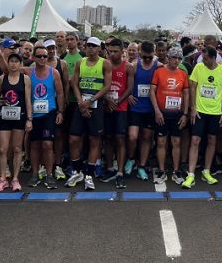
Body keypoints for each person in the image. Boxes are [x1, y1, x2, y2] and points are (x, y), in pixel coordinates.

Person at [66, 37, 112, 190]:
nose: (90, 48)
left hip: (96, 104)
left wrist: (91, 100)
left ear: (99, 48)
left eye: (94, 46)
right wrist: (81, 102)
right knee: (73, 139)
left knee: (94, 140)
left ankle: (89, 174)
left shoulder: (104, 63)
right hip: (81, 105)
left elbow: (107, 86)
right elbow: (75, 83)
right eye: (88, 46)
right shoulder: (80, 62)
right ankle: (77, 170)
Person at [182, 46, 222, 188]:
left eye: (206, 58)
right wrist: (193, 107)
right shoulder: (198, 68)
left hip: (215, 112)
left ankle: (206, 171)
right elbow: (192, 87)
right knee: (195, 140)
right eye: (203, 58)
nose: (203, 60)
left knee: (211, 140)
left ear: (213, 58)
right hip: (199, 111)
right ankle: (190, 174)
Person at [151, 46, 190, 184]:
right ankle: (161, 171)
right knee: (161, 142)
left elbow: (186, 94)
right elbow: (152, 92)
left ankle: (176, 170)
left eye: (179, 58)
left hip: (177, 114)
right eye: (174, 57)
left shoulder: (183, 74)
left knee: (176, 142)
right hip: (161, 113)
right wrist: (156, 111)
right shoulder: (159, 72)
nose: (177, 60)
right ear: (168, 57)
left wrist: (185, 114)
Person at [0, 52, 32, 192]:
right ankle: (2, 179)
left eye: (16, 61)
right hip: (5, 117)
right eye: (11, 61)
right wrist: (0, 100)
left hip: (19, 117)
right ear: (8, 63)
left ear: (20, 64)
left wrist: (29, 119)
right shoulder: (2, 78)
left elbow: (28, 100)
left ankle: (15, 179)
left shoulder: (25, 79)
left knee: (17, 149)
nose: (14, 64)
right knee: (2, 149)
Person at [29, 45, 65, 189]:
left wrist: (60, 112)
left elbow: (61, 93)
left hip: (49, 113)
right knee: (34, 144)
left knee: (48, 144)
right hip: (34, 113)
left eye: (45, 56)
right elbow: (9, 70)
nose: (43, 58)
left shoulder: (54, 73)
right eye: (39, 56)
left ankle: (49, 175)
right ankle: (35, 174)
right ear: (33, 58)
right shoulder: (28, 72)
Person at [102, 38, 134, 188]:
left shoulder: (128, 67)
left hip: (121, 108)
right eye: (110, 51)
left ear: (122, 52)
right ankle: (109, 168)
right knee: (108, 138)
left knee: (120, 138)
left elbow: (130, 88)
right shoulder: (103, 64)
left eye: (115, 51)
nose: (112, 54)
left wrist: (118, 101)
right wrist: (108, 100)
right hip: (106, 106)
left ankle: (120, 172)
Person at [126, 41, 160, 180]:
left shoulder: (159, 67)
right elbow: (128, 85)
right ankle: (131, 158)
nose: (147, 60)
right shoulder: (134, 66)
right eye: (144, 57)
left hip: (150, 109)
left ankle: (142, 166)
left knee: (146, 138)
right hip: (136, 107)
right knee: (132, 136)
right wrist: (128, 95)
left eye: (149, 57)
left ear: (154, 54)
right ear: (140, 54)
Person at [55, 32, 84, 180]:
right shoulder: (62, 59)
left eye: (72, 39)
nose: (69, 42)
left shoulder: (83, 57)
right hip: (67, 100)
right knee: (65, 133)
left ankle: (79, 161)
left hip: (80, 100)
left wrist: (75, 81)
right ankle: (65, 160)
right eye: (67, 40)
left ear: (77, 41)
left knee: (78, 134)